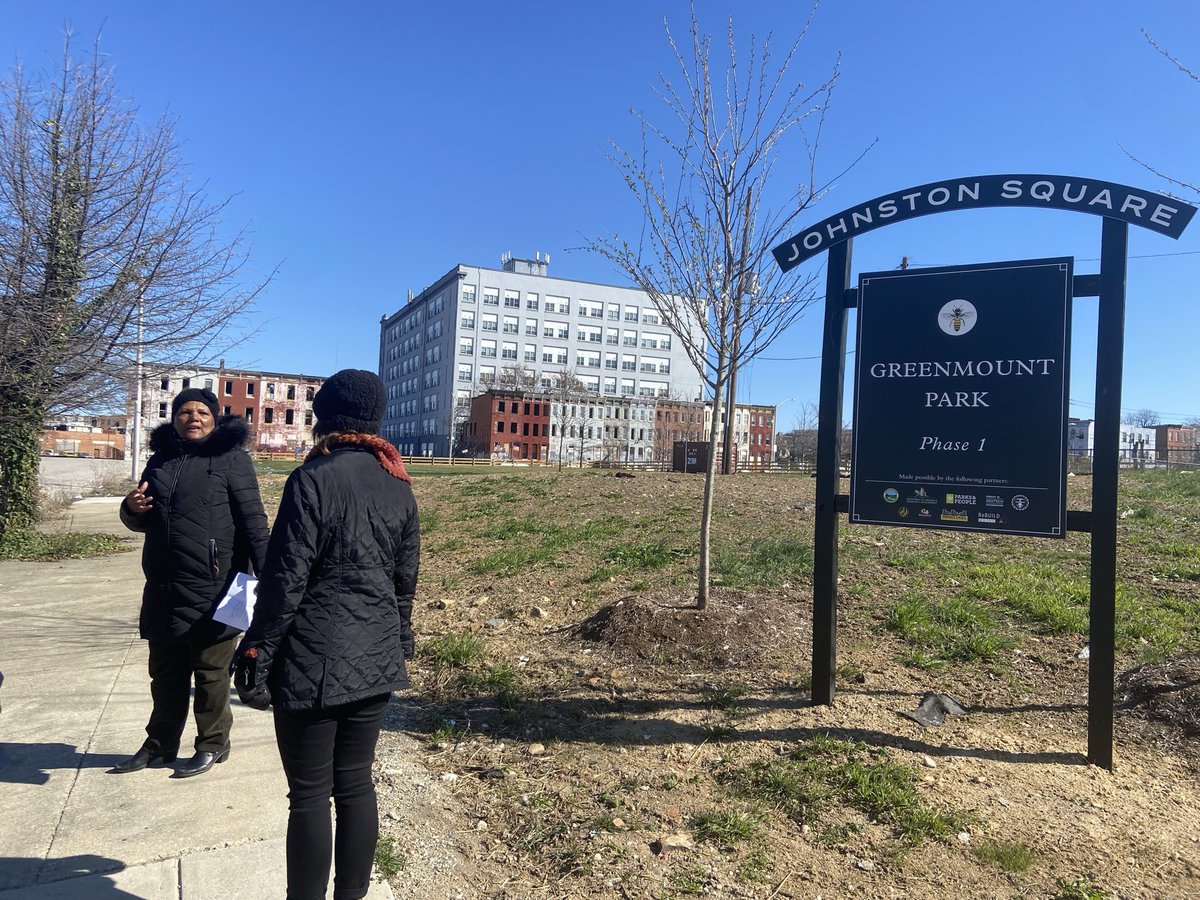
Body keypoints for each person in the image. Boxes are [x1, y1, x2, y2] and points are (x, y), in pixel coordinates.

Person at [233, 369, 419, 900]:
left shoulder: (311, 479)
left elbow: (284, 579)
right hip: (377, 656)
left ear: (325, 418)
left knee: (310, 795)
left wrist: (257, 650)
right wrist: (399, 642)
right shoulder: (399, 485)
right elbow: (405, 582)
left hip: (314, 658)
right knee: (356, 783)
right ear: (375, 419)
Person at [115, 388, 269, 778]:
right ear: (175, 418)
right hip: (164, 587)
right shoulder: (161, 460)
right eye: (185, 411)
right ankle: (160, 744)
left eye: (202, 411)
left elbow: (253, 522)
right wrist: (130, 509)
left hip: (215, 587)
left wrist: (270, 577)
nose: (193, 418)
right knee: (164, 674)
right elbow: (142, 518)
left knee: (210, 672)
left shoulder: (232, 460)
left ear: (215, 419)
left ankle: (214, 743)